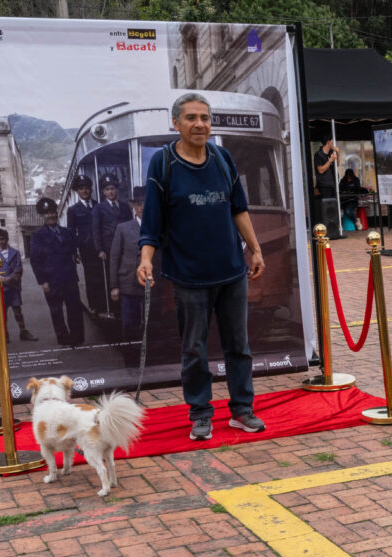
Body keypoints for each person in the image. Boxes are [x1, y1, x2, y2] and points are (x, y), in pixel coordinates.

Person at [137, 92, 266, 441]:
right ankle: (201, 414)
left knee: (239, 347)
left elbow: (239, 209)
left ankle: (242, 410)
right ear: (176, 123)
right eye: (191, 118)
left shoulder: (223, 159)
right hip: (189, 277)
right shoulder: (163, 164)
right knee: (193, 349)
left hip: (231, 272)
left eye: (205, 118)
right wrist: (146, 259)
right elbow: (152, 221)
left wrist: (254, 250)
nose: (200, 124)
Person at [29, 197, 84, 346]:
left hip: (70, 277)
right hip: (52, 280)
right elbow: (35, 260)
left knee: (75, 308)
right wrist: (43, 281)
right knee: (56, 310)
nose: (51, 215)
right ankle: (64, 338)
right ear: (42, 215)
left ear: (56, 213)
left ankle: (77, 338)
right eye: (46, 213)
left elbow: (74, 250)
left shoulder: (68, 233)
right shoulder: (37, 236)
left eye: (52, 212)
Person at [110, 187, 154, 362]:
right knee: (129, 324)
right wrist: (114, 286)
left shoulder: (157, 226)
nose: (142, 207)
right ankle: (130, 358)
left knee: (151, 322)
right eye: (138, 204)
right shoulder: (123, 228)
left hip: (152, 282)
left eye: (145, 204)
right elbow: (114, 258)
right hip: (128, 282)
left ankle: (149, 357)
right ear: (133, 206)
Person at [67, 175, 108, 316]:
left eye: (86, 188)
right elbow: (71, 231)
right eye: (81, 188)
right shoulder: (73, 210)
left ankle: (107, 304)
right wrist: (74, 251)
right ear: (77, 191)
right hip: (86, 248)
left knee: (104, 275)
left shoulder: (99, 205)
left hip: (102, 246)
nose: (84, 191)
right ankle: (95, 306)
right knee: (91, 277)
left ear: (91, 189)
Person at [0, 227, 37, 342]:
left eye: (3, 239)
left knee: (17, 311)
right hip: (0, 288)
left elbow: (18, 268)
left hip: (13, 287)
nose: (0, 242)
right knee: (2, 312)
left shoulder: (15, 252)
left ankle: (23, 332)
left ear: (7, 239)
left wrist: (11, 278)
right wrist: (0, 278)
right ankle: (5, 335)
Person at [93, 173, 130, 294]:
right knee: (111, 277)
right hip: (108, 248)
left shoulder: (125, 207)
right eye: (107, 189)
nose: (110, 192)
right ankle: (115, 309)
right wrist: (100, 250)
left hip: (125, 247)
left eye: (112, 188)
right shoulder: (99, 208)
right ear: (103, 191)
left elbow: (130, 226)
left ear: (117, 189)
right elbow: (96, 230)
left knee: (125, 274)